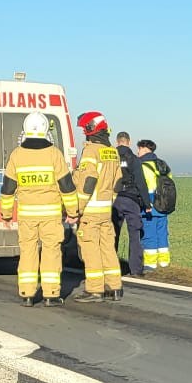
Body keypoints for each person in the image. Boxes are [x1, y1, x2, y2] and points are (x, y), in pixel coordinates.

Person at [0, 111, 80, 306]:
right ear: (45, 129)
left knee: (28, 252)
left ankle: (27, 293)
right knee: (51, 252)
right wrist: (72, 212)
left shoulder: (17, 155)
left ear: (25, 130)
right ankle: (51, 294)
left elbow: (8, 188)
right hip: (51, 215)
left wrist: (6, 215)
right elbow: (67, 187)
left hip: (27, 215)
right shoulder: (54, 154)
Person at [69, 111, 125, 301]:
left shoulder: (91, 150)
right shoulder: (112, 151)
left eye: (85, 129)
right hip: (105, 211)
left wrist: (78, 208)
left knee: (90, 249)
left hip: (91, 211)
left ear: (91, 129)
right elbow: (118, 182)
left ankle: (94, 290)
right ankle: (114, 286)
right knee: (108, 248)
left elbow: (88, 181)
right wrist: (110, 200)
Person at [112, 131, 149, 279]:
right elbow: (141, 182)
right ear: (129, 142)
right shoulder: (134, 159)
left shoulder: (111, 157)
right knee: (134, 235)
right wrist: (147, 203)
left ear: (117, 141)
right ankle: (136, 269)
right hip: (131, 199)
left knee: (113, 235)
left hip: (114, 199)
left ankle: (112, 267)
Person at [136, 138, 173, 269]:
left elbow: (140, 186)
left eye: (139, 149)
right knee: (162, 233)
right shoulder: (163, 164)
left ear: (144, 149)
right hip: (164, 204)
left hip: (149, 204)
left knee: (148, 234)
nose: (137, 152)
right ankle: (164, 262)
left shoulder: (142, 165)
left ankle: (150, 264)